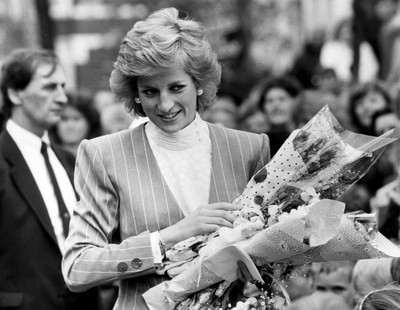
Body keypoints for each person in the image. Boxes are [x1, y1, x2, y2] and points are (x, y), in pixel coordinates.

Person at [62, 7, 270, 310]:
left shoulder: (249, 148)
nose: (165, 104)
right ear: (134, 93)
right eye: (149, 92)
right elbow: (77, 268)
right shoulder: (104, 154)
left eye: (176, 88)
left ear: (198, 82)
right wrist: (168, 237)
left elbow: (270, 249)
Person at [0, 48, 100, 309]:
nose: (62, 97)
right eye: (49, 87)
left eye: (63, 87)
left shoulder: (70, 162)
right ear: (14, 93)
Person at [257, 75, 302, 157]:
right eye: (270, 101)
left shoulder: (309, 137)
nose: (275, 105)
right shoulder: (258, 145)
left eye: (282, 99)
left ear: (295, 102)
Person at [50, 89, 101, 157]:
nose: (70, 125)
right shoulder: (47, 155)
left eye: (76, 119)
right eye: (64, 119)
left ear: (90, 122)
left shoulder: (100, 155)